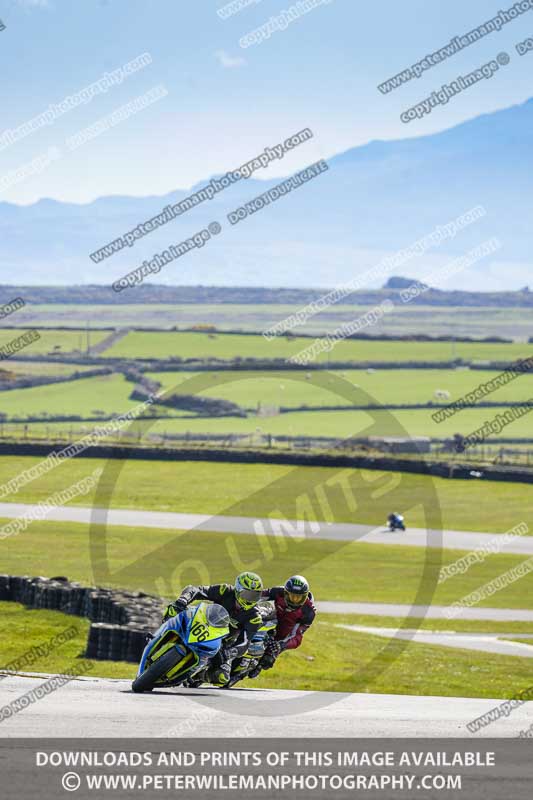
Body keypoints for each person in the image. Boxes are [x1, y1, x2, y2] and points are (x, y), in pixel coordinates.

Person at [163, 571, 263, 686]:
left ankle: (200, 676)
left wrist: (230, 652)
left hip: (223, 643)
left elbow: (245, 643)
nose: (251, 599)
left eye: (255, 596)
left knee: (222, 678)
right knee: (172, 610)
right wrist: (183, 600)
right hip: (202, 623)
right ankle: (160, 635)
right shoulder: (225, 590)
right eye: (248, 595)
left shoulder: (254, 617)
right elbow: (197, 590)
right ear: (238, 590)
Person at [251, 575, 316, 675]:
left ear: (305, 596)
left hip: (281, 638)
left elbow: (297, 636)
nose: (294, 600)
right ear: (286, 593)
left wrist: (280, 645)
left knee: (265, 663)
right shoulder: (278, 592)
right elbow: (258, 596)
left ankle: (254, 666)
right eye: (292, 596)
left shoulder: (308, 612)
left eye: (298, 598)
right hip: (269, 622)